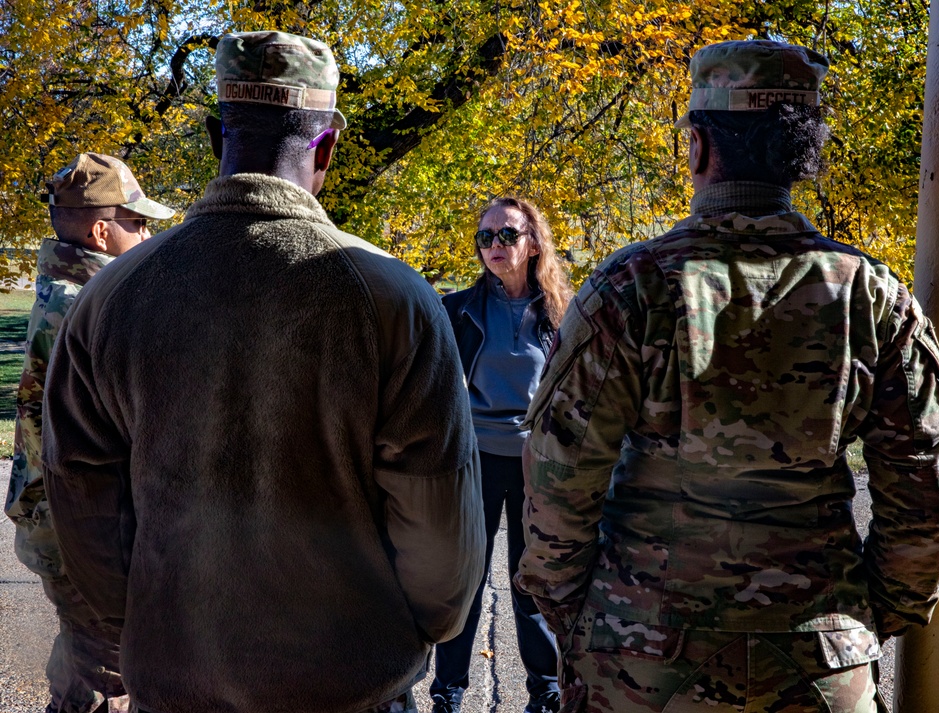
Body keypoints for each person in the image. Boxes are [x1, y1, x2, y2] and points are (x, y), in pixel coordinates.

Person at [39, 31, 485, 713]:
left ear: (218, 135)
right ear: (327, 144)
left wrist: (147, 633)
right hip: (347, 689)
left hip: (176, 688)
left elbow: (80, 500)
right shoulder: (393, 298)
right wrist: (409, 632)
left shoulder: (112, 297)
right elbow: (441, 544)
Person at [515, 40, 939, 713]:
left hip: (641, 665)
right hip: (817, 665)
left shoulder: (628, 290)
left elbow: (558, 479)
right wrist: (860, 619)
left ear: (696, 147)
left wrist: (587, 615)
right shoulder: (871, 296)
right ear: (805, 154)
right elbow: (927, 488)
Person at [4, 152, 174, 713]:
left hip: (56, 524)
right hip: (82, 533)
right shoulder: (87, 306)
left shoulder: (64, 290)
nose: (145, 233)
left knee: (84, 661)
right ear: (102, 230)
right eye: (137, 221)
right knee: (108, 678)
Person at [434, 197, 572, 713]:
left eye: (507, 235)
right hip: (474, 462)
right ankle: (448, 692)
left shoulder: (563, 312)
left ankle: (546, 691)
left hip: (538, 465)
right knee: (466, 581)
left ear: (533, 243)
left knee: (531, 581)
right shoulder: (457, 309)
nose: (494, 246)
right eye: (485, 237)